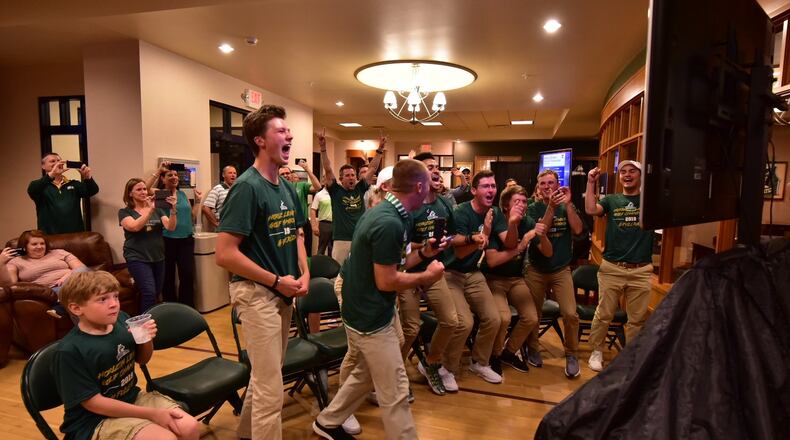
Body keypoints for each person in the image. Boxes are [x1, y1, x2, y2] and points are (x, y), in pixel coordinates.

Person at [312, 159, 446, 440]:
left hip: (374, 309)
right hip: (368, 317)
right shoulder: (387, 221)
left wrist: (424, 255)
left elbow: (394, 264)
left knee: (365, 371)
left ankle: (327, 421)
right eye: (430, 180)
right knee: (396, 391)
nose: (434, 185)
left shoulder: (396, 214)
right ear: (419, 187)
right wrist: (427, 277)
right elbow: (387, 280)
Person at [215, 105, 310, 440]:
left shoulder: (284, 187)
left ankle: (245, 433)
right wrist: (276, 280)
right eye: (281, 131)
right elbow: (224, 254)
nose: (290, 136)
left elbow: (296, 233)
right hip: (257, 294)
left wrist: (304, 272)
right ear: (259, 140)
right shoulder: (247, 187)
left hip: (282, 293)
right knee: (272, 388)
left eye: (289, 131)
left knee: (265, 376)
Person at [53, 270, 200, 440]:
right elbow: (93, 403)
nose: (114, 304)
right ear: (76, 308)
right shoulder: (70, 351)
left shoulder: (121, 320)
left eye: (115, 296)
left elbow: (142, 359)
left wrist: (146, 339)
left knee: (189, 427)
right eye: (103, 299)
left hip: (131, 398)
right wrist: (152, 414)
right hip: (93, 420)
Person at [396, 152, 470, 397]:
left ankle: (430, 362)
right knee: (411, 329)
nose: (436, 171)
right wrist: (425, 246)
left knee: (452, 320)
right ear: (418, 176)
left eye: (437, 167)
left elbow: (452, 235)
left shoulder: (445, 203)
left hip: (435, 271)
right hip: (408, 272)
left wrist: (452, 241)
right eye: (430, 167)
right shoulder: (409, 208)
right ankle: (396, 374)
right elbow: (404, 247)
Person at [443, 170, 521, 384]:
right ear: (474, 190)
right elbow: (459, 253)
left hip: (473, 273)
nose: (491, 190)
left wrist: (512, 223)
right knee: (465, 322)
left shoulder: (495, 212)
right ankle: (446, 368)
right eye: (486, 186)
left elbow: (511, 244)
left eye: (493, 186)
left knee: (494, 319)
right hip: (451, 273)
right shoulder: (461, 212)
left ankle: (479, 363)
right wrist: (484, 233)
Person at [584, 161, 654, 372]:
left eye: (632, 171)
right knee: (604, 314)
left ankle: (631, 355)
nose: (627, 174)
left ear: (640, 175)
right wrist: (590, 183)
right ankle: (596, 351)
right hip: (612, 267)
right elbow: (589, 208)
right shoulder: (612, 200)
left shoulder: (649, 201)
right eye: (623, 171)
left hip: (641, 270)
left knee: (637, 319)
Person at [481, 185, 551, 374]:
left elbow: (548, 252)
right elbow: (493, 261)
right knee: (503, 318)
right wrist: (522, 244)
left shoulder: (527, 221)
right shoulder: (498, 221)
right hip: (493, 279)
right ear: (506, 206)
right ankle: (494, 356)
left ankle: (508, 352)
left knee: (531, 318)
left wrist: (542, 235)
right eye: (516, 202)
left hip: (516, 279)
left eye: (523, 202)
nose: (521, 205)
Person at [524, 169, 583, 378]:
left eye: (551, 183)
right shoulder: (532, 209)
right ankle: (533, 348)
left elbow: (577, 230)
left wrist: (567, 205)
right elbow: (541, 233)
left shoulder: (568, 205)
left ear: (558, 185)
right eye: (543, 184)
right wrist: (551, 208)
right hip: (536, 269)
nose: (548, 187)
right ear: (538, 188)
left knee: (570, 313)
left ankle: (572, 354)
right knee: (534, 315)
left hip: (561, 269)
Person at [319, 128, 385, 267]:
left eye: (353, 175)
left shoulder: (360, 188)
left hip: (360, 238)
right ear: (341, 179)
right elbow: (328, 168)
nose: (352, 178)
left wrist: (380, 149)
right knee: (339, 273)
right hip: (341, 240)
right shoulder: (335, 190)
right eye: (348, 176)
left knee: (360, 270)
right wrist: (323, 148)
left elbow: (372, 168)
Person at [0, 229, 89, 318]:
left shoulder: (59, 252)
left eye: (42, 243)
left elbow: (81, 268)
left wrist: (67, 276)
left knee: (80, 284)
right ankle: (63, 303)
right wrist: (1, 263)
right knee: (82, 297)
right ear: (25, 246)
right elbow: (9, 284)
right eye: (34, 244)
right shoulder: (16, 262)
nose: (39, 247)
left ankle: (62, 306)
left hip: (75, 281)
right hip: (52, 291)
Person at [119, 177, 177, 312]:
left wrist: (173, 209)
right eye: (139, 189)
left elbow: (170, 227)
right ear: (130, 193)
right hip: (137, 257)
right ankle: (144, 327)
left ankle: (152, 322)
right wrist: (150, 211)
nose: (143, 192)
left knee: (156, 292)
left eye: (145, 189)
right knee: (149, 292)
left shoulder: (158, 209)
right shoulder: (124, 212)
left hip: (158, 256)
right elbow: (134, 227)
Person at [150, 165, 203, 308]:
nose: (174, 177)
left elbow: (191, 216)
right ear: (163, 179)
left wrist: (198, 201)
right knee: (168, 276)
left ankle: (187, 308)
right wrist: (158, 171)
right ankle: (172, 308)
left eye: (175, 175)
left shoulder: (182, 195)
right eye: (169, 175)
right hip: (168, 240)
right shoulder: (160, 194)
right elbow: (144, 187)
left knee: (187, 275)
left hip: (186, 240)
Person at [28, 153, 99, 234]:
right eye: (52, 161)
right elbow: (32, 190)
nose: (57, 163)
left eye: (59, 161)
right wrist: (52, 174)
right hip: (49, 237)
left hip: (75, 235)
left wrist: (87, 177)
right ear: (43, 166)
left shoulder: (73, 184)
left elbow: (93, 190)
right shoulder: (39, 186)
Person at [280, 161, 321, 255]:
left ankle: (306, 269)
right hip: (286, 224)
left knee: (306, 252)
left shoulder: (300, 185)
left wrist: (307, 170)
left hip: (303, 223)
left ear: (291, 175)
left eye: (287, 173)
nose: (286, 175)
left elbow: (317, 187)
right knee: (289, 252)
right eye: (282, 174)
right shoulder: (276, 189)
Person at [202, 165, 237, 231]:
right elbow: (205, 208)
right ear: (223, 175)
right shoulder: (217, 189)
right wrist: (216, 223)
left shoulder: (237, 189)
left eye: (234, 173)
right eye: (230, 173)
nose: (233, 175)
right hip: (224, 226)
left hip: (235, 226)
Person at [310, 187, 333, 256]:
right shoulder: (319, 195)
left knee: (333, 249)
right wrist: (314, 226)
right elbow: (313, 210)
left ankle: (332, 266)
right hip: (325, 224)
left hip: (337, 224)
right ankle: (318, 265)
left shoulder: (337, 193)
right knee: (321, 249)